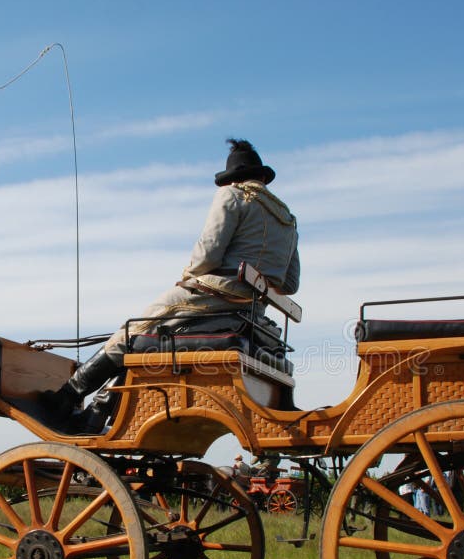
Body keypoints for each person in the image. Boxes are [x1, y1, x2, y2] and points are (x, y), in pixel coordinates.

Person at [42, 139, 300, 431]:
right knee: (144, 341)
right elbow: (290, 283)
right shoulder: (288, 220)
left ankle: (67, 396)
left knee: (131, 331)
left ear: (233, 179)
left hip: (213, 297)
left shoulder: (232, 196)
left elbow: (207, 254)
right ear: (263, 177)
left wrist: (189, 275)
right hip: (253, 315)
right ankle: (96, 413)